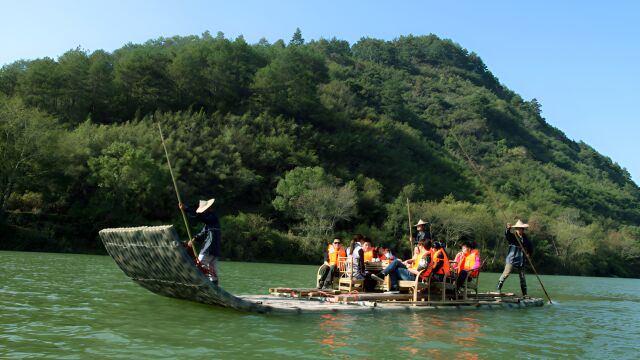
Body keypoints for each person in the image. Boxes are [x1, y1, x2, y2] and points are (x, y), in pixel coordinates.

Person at [179, 198, 221, 285]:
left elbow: (198, 217)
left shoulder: (212, 217)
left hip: (210, 248)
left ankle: (198, 284)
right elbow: (203, 233)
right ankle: (214, 287)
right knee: (212, 269)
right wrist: (193, 240)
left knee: (199, 266)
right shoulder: (211, 221)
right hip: (214, 249)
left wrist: (186, 209)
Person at [497, 220, 533, 296]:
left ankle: (525, 294)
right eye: (518, 228)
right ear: (516, 229)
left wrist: (528, 254)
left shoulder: (526, 239)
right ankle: (498, 289)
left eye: (521, 228)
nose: (520, 230)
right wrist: (508, 228)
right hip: (512, 258)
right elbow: (507, 235)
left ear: (523, 229)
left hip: (521, 259)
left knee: (522, 277)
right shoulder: (512, 237)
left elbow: (530, 248)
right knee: (506, 274)